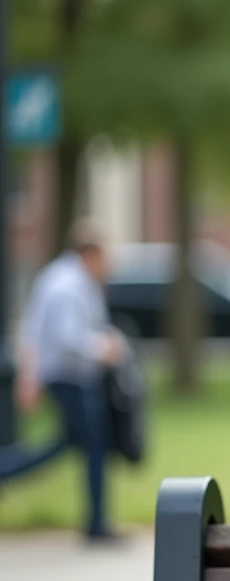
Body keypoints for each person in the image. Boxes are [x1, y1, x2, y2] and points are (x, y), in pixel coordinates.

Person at [0, 218, 125, 542]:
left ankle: (4, 471)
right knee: (95, 444)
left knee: (63, 445)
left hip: (66, 375)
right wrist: (103, 349)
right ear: (92, 253)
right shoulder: (69, 285)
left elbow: (33, 328)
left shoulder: (64, 278)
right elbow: (67, 338)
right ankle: (97, 524)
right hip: (68, 377)